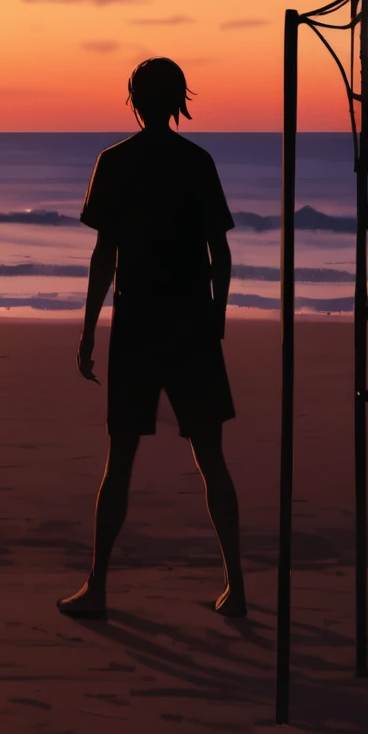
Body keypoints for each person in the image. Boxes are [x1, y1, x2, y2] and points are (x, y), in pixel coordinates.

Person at [59, 57, 246, 620]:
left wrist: (90, 329)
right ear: (178, 100)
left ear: (135, 101)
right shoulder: (197, 161)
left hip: (138, 325)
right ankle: (236, 586)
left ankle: (99, 587)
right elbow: (223, 254)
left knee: (120, 460)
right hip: (191, 322)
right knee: (211, 458)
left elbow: (103, 257)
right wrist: (216, 315)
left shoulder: (115, 162)